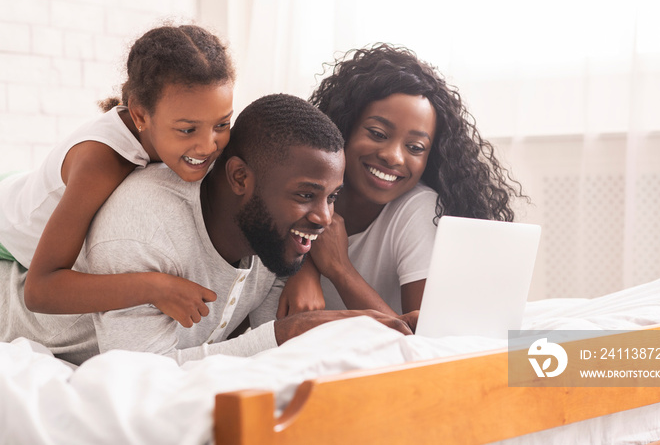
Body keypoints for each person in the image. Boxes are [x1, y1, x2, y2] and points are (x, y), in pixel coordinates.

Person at [0, 94, 416, 366]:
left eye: (332, 197)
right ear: (239, 178)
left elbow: (276, 349)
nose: (325, 218)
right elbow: (140, 372)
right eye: (307, 195)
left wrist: (363, 327)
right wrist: (287, 333)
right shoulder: (143, 225)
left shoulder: (275, 237)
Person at [0, 24, 236, 328]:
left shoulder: (197, 132)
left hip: (27, 182)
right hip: (8, 217)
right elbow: (40, 291)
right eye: (187, 130)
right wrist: (155, 287)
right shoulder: (99, 163)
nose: (208, 146)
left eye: (222, 124)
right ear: (139, 115)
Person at [279, 44, 526, 318]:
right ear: (342, 127)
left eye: (416, 147)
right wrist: (303, 268)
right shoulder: (297, 191)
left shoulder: (418, 209)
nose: (393, 157)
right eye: (378, 133)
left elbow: (423, 340)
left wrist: (340, 270)